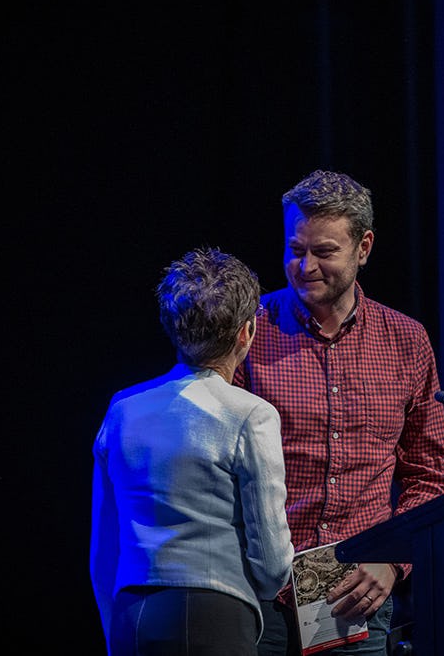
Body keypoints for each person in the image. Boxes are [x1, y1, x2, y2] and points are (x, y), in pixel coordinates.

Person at [233, 169, 444, 655]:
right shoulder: (248, 333)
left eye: (325, 252)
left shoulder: (406, 341)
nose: (306, 266)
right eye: (296, 249)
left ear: (364, 247)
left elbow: (432, 476)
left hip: (354, 596)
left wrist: (394, 560)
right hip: (258, 592)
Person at [91, 246, 295, 656]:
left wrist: (117, 626)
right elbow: (273, 564)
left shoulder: (123, 409)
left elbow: (103, 549)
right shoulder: (250, 414)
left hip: (131, 616)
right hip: (212, 615)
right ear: (246, 331)